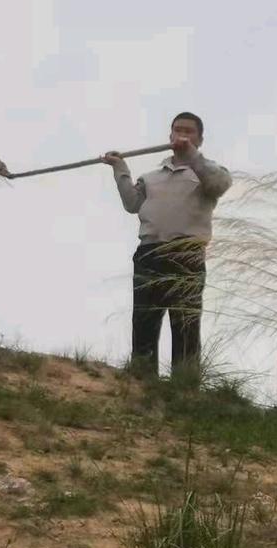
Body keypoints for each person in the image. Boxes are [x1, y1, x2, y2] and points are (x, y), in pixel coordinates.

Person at [101, 112, 232, 380]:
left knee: (185, 325)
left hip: (187, 254)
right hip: (149, 253)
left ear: (200, 139)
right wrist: (120, 169)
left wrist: (194, 157)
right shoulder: (151, 177)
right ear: (170, 136)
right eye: (177, 130)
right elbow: (132, 204)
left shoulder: (209, 173)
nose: (182, 135)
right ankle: (142, 385)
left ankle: (184, 388)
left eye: (189, 132)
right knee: (144, 322)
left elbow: (219, 185)